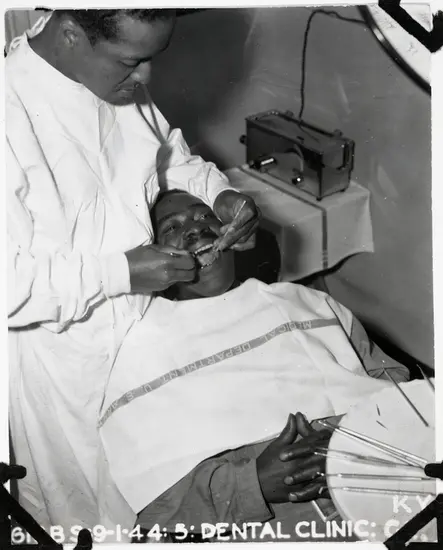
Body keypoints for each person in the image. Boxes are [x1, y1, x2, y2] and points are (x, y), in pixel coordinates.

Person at [6, 9, 260, 533]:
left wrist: (220, 192)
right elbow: (10, 286)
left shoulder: (114, 83)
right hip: (65, 363)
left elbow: (167, 156)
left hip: (148, 328)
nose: (145, 77)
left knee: (160, 493)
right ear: (70, 31)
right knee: (90, 517)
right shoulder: (12, 118)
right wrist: (119, 274)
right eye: (132, 60)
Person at [99, 190, 410, 542]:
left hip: (371, 473)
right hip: (258, 521)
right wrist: (257, 482)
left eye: (204, 217)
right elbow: (149, 504)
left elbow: (394, 384)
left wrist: (354, 437)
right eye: (171, 228)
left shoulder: (306, 301)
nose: (195, 230)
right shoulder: (139, 351)